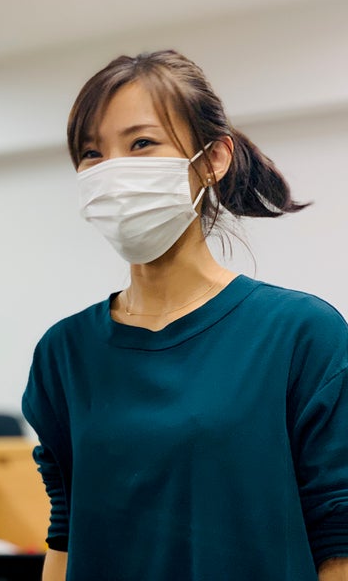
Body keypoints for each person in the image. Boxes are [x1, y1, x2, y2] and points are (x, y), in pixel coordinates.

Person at [22, 50, 348, 580]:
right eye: (91, 153)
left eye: (141, 143)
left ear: (213, 158)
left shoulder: (299, 335)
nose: (112, 171)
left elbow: (339, 534)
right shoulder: (64, 353)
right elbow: (65, 532)